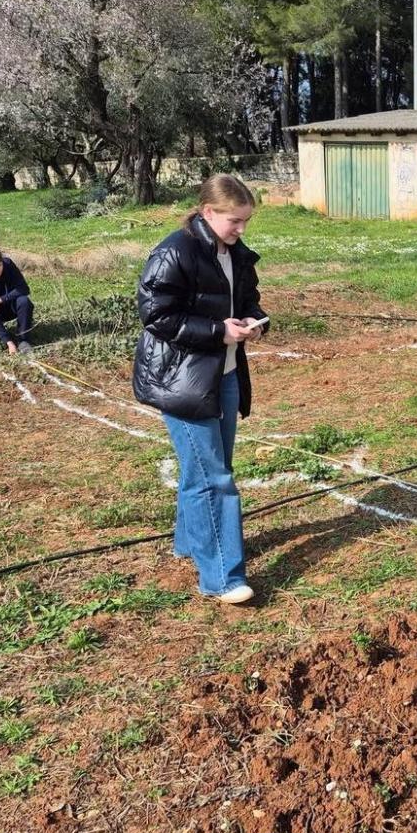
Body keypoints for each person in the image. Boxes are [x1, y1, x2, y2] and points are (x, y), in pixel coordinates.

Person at [132, 175, 268, 605]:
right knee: (215, 479)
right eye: (235, 221)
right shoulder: (176, 251)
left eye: (246, 221)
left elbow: (248, 298)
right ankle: (222, 579)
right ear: (208, 213)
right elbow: (156, 315)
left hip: (224, 376)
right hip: (182, 380)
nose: (241, 229)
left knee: (206, 469)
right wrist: (216, 331)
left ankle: (191, 544)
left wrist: (254, 321)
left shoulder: (236, 254)